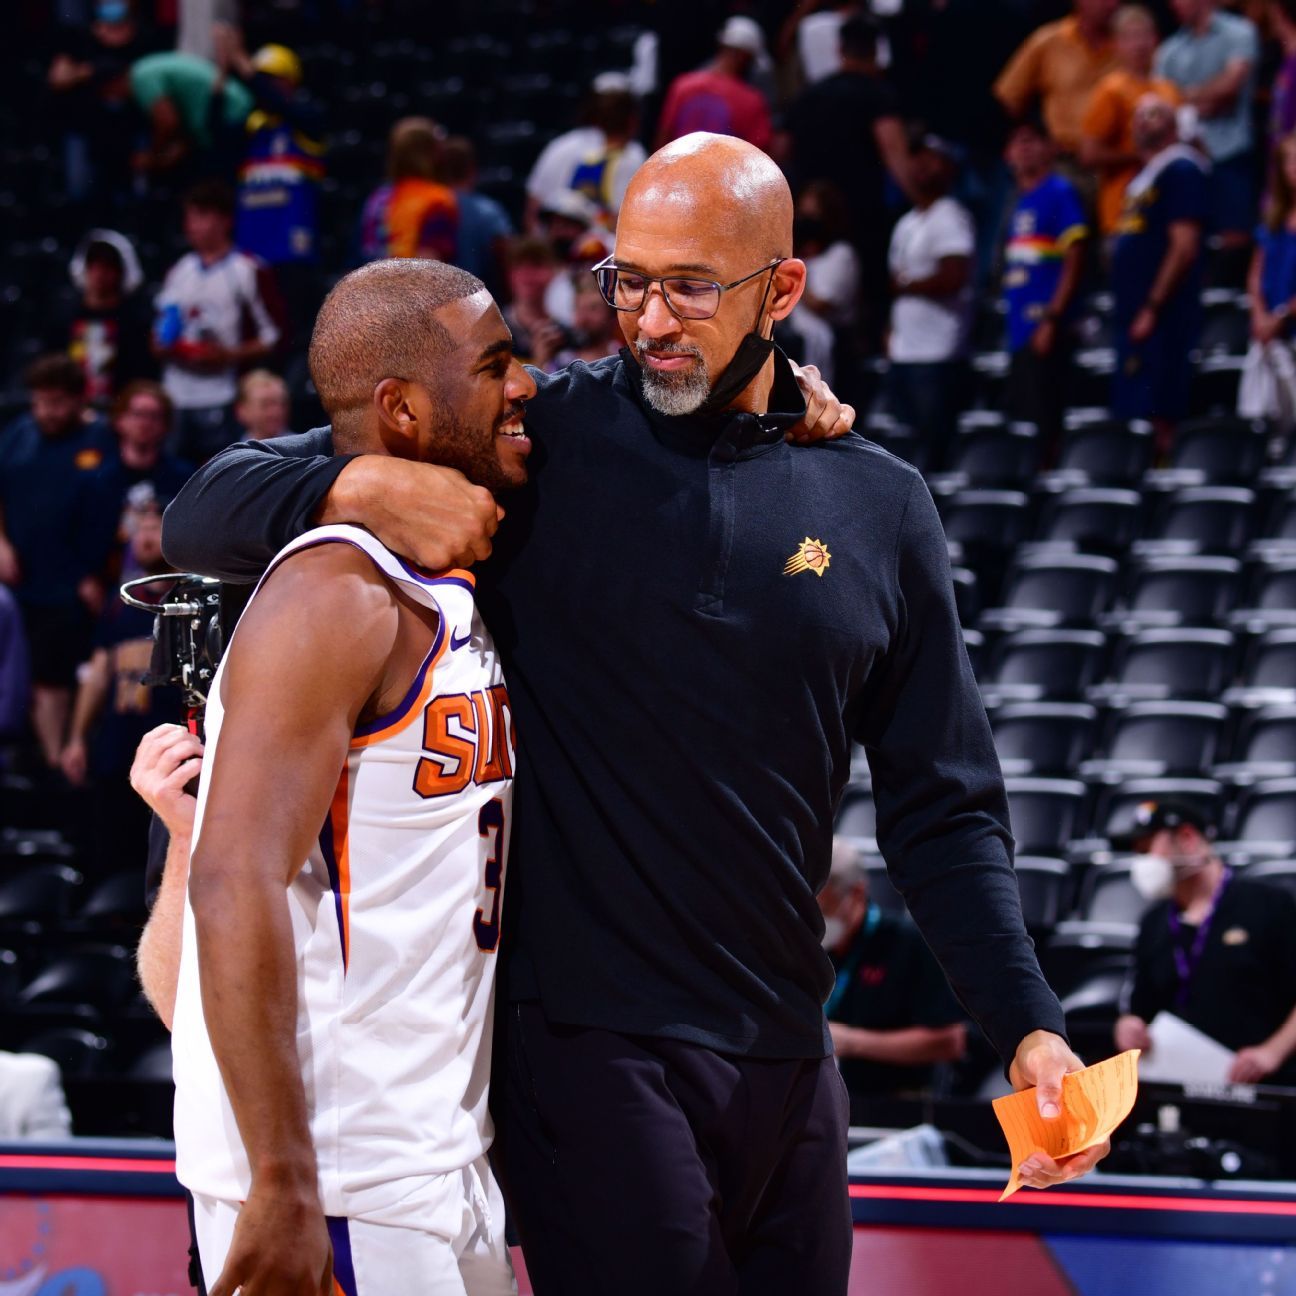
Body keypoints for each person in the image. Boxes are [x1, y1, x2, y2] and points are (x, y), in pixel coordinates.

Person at [164, 132, 1101, 1294]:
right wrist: (349, 482)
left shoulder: (880, 502)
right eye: (628, 281)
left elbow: (945, 809)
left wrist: (1026, 1022)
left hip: (789, 1050)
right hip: (589, 1050)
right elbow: (202, 507)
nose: (649, 320)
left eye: (691, 287)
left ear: (784, 290)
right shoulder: (540, 441)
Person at [168, 259, 532, 1293]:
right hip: (332, 1175)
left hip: (427, 1155)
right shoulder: (335, 591)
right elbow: (231, 878)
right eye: (496, 364)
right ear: (404, 410)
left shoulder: (440, 582)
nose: (524, 386)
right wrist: (282, 1182)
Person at [1114, 800, 1296, 1086]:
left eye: (1148, 849)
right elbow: (1139, 1009)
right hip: (1176, 1088)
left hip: (1262, 1088)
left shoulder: (1269, 905)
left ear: (1187, 838)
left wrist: (1272, 1052)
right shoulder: (1154, 922)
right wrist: (1129, 1027)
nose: (1142, 862)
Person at [60, 490, 183, 875]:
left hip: (172, 755)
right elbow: (98, 673)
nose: (144, 537)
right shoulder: (121, 603)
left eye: (154, 526)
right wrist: (78, 737)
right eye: (139, 528)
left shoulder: (193, 600)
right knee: (111, 856)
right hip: (118, 752)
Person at [0, 355, 113, 767]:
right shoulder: (17, 434)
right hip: (19, 577)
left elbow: (107, 514)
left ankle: (58, 765)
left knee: (57, 677)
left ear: (79, 399)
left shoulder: (100, 440)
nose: (47, 411)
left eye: (57, 402)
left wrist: (89, 574)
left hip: (72, 584)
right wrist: (1, 543)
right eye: (40, 401)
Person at [779, 15, 912, 345]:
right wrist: (919, 197)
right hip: (859, 216)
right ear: (875, 52)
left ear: (839, 49)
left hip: (809, 214)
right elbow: (893, 149)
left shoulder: (809, 96)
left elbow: (778, 152)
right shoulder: (878, 95)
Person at [819, 839, 967, 1109]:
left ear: (857, 893)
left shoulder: (908, 943)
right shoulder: (809, 946)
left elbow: (950, 1041)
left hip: (896, 1102)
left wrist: (852, 1042)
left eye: (825, 910)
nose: (819, 922)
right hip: (825, 1100)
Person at [154, 179, 284, 464]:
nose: (192, 226)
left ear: (224, 220)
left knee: (223, 479)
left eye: (201, 216)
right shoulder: (179, 270)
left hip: (222, 395)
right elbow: (162, 326)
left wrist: (228, 355)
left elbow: (274, 335)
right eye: (189, 217)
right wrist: (162, 345)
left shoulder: (248, 269)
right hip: (176, 394)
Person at [1110, 95, 1206, 445]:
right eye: (1137, 115)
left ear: (1175, 125)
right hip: (1134, 314)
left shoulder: (1181, 168)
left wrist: (1152, 306)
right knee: (1134, 414)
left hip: (1163, 315)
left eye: (1153, 114)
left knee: (1159, 413)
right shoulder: (1144, 177)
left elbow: (1184, 247)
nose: (1142, 121)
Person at [882, 136, 976, 461]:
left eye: (933, 158)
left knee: (933, 451)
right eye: (917, 157)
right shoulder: (908, 221)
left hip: (938, 352)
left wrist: (907, 284)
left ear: (950, 169)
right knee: (903, 449)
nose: (922, 165)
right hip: (904, 350)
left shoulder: (950, 215)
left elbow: (954, 276)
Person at [1001, 116, 1089, 452]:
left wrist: (1052, 318)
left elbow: (1075, 255)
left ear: (1050, 148)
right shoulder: (1019, 202)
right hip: (1019, 329)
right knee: (1023, 419)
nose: (1023, 149)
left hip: (1046, 328)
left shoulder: (1059, 191)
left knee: (1045, 422)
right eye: (1017, 142)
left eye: (1032, 140)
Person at [1155, 0, 1259, 246]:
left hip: (1229, 152)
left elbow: (1230, 87)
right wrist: (1207, 98)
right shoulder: (1170, 49)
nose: (1173, 5)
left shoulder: (1240, 32)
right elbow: (1162, 102)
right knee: (1188, 240)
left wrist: (1184, 98)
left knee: (1234, 238)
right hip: (1185, 159)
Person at [1080, 5, 1184, 238]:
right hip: (1123, 211)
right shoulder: (1111, 90)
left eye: (1144, 35)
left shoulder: (1169, 90)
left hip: (1165, 209)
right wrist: (1141, 155)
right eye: (1129, 37)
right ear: (1116, 44)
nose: (1139, 44)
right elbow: (1089, 153)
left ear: (1156, 39)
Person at [47, 0, 150, 212]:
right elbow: (58, 78)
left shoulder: (142, 38)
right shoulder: (81, 38)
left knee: (135, 196)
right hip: (87, 129)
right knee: (80, 191)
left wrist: (88, 72)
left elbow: (134, 78)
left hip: (130, 129)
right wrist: (93, 71)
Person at [46, 229, 156, 407]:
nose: (99, 274)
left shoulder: (136, 321)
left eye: (107, 267)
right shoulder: (63, 317)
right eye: (93, 266)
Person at [524, 74, 646, 234]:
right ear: (633, 119)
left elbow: (532, 211)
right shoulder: (634, 155)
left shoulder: (561, 145)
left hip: (598, 250)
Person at [994, 0, 1118, 156]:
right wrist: (1038, 138)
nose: (1111, 4)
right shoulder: (1047, 41)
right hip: (1065, 160)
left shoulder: (1129, 43)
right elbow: (1009, 99)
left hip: (1120, 160)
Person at [1239, 130, 1296, 436]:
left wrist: (1283, 316)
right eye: (1288, 162)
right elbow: (1255, 274)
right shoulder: (1273, 220)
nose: (1294, 169)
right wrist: (1260, 315)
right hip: (1268, 333)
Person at [129, 48, 253, 181]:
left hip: (227, 114)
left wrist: (153, 155)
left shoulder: (140, 77)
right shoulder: (147, 68)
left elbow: (168, 121)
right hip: (231, 107)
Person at [654, 17, 773, 151]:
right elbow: (760, 156)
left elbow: (662, 140)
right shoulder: (752, 101)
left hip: (676, 170)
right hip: (724, 171)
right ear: (743, 57)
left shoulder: (682, 85)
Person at [357, 116, 458, 263]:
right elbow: (431, 262)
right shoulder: (438, 199)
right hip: (413, 282)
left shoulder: (377, 199)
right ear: (434, 154)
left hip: (373, 281)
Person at [442, 136, 514, 297]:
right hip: (480, 301)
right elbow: (506, 260)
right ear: (472, 170)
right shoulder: (489, 211)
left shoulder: (426, 209)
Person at [233, 368, 291, 441]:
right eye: (266, 405)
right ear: (242, 410)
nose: (276, 412)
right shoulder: (228, 450)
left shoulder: (304, 449)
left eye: (282, 404)